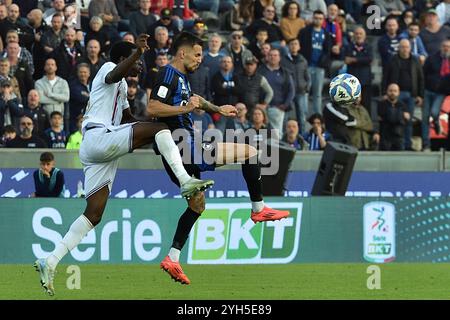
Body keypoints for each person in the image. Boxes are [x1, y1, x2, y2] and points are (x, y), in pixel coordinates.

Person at [34, 35, 215, 296]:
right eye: (136, 60)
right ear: (123, 59)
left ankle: (50, 261)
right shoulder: (108, 69)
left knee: (94, 214)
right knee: (161, 129)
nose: (140, 66)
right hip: (99, 136)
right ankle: (186, 180)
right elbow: (116, 73)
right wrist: (137, 52)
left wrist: (151, 128)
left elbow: (129, 119)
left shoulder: (120, 90)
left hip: (100, 149)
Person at [147, 31, 290, 285]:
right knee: (251, 152)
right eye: (198, 54)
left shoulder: (181, 77)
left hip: (185, 148)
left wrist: (217, 109)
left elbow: (195, 100)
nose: (201, 59)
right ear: (183, 52)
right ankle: (258, 209)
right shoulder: (168, 73)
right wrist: (185, 109)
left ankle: (172, 257)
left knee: (197, 206)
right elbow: (153, 107)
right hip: (184, 146)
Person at [378, 83, 410, 151]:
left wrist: (393, 114)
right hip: (385, 137)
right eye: (390, 90)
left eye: (395, 91)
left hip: (399, 137)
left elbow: (406, 120)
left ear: (398, 93)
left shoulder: (402, 105)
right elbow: (390, 118)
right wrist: (401, 115)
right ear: (387, 92)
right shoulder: (381, 104)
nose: (392, 93)